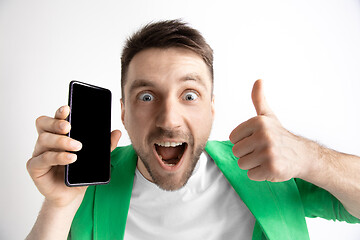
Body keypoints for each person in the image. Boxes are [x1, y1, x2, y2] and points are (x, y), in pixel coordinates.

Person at [26, 19, 360, 240]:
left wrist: (310, 157)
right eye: (146, 96)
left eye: (189, 95)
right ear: (124, 113)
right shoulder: (90, 184)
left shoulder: (268, 169)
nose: (169, 119)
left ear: (212, 108)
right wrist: (59, 207)